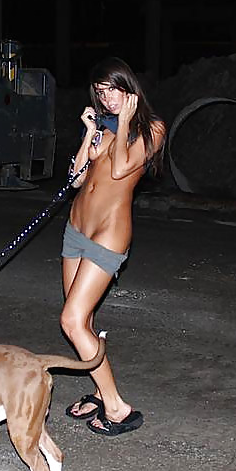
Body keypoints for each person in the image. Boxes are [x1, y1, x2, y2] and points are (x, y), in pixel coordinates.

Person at [61, 57, 165, 436]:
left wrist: (122, 123)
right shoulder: (102, 125)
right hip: (77, 229)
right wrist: (90, 133)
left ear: (129, 87)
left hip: (109, 234)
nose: (107, 99)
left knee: (71, 321)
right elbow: (75, 180)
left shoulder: (152, 129)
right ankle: (98, 390)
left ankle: (117, 407)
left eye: (113, 90)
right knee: (83, 322)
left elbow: (120, 169)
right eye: (101, 93)